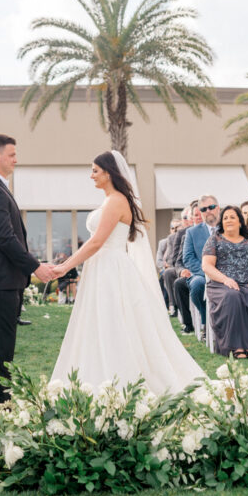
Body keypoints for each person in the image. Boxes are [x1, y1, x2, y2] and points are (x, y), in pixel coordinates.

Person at [51, 151, 204, 393]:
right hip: (100, 268)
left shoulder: (116, 201)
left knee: (115, 322)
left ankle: (121, 378)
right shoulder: (109, 199)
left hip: (111, 268)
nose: (91, 176)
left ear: (108, 173)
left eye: (95, 170)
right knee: (99, 321)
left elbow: (96, 242)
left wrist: (63, 267)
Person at [0, 135, 54, 406]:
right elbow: (5, 238)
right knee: (0, 349)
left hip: (0, 280)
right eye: (12, 154)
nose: (16, 159)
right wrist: (36, 268)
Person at [202, 205, 248, 358]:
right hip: (221, 284)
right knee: (232, 297)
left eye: (233, 217)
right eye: (225, 218)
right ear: (221, 223)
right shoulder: (214, 240)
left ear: (240, 222)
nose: (229, 220)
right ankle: (235, 347)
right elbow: (207, 266)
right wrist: (225, 279)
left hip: (247, 282)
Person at [176, 195, 220, 326]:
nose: (208, 211)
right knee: (196, 286)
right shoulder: (192, 232)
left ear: (218, 208)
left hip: (226, 273)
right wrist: (207, 272)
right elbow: (188, 258)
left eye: (211, 207)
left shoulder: (227, 228)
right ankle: (208, 322)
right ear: (201, 212)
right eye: (204, 209)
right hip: (201, 274)